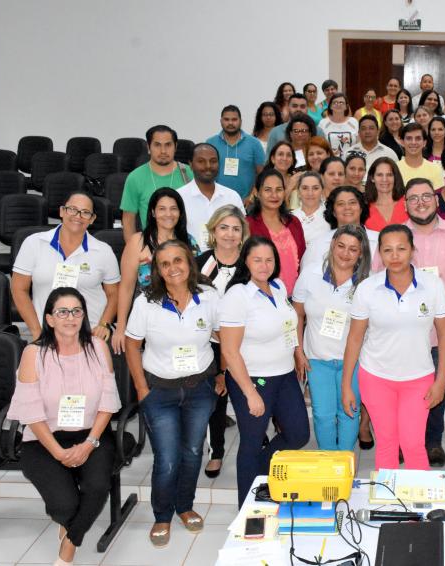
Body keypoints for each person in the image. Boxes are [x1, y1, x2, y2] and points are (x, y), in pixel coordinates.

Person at [7, 288, 120, 566]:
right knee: (64, 506)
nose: (70, 317)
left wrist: (90, 443)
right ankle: (68, 520)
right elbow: (31, 413)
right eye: (62, 312)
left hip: (91, 433)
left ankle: (69, 544)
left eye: (76, 311)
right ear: (50, 318)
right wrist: (59, 452)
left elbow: (108, 403)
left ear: (84, 316)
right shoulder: (33, 354)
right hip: (44, 438)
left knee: (96, 487)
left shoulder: (98, 347)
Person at [124, 240, 221, 546]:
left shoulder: (208, 296)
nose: (172, 268)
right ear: (158, 269)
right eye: (164, 264)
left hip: (200, 389)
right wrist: (141, 388)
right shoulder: (145, 302)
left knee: (193, 453)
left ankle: (185, 506)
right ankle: (162, 515)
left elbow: (224, 336)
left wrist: (223, 374)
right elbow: (131, 344)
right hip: (160, 391)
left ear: (189, 262)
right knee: (167, 458)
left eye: (178, 260)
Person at [342, 224, 445, 470]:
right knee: (387, 443)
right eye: (388, 250)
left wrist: (441, 381)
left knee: (413, 444)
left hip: (419, 378)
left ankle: (419, 505)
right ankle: (389, 504)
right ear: (379, 253)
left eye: (401, 249)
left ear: (413, 250)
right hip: (376, 377)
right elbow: (355, 339)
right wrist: (347, 384)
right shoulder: (368, 289)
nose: (395, 256)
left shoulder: (432, 285)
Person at [391, 178, 445, 467]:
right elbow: (379, 279)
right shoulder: (395, 236)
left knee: (436, 389)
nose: (420, 202)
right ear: (405, 204)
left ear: (436, 199)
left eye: (426, 196)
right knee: (402, 391)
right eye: (413, 198)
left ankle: (432, 443)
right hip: (402, 333)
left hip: (443, 332)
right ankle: (405, 442)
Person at [219, 236, 310, 506]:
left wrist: (297, 351)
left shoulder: (278, 286)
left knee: (298, 434)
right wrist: (249, 393)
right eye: (257, 259)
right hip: (253, 379)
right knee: (251, 440)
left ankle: (261, 471)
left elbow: (288, 324)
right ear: (245, 261)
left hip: (284, 376)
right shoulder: (238, 295)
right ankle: (247, 509)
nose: (264, 265)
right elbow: (229, 351)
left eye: (269, 259)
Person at [294, 225, 372, 450]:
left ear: (361, 254)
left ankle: (343, 461)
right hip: (317, 359)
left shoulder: (366, 283)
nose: (345, 254)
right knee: (322, 414)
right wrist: (298, 352)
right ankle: (329, 461)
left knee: (349, 410)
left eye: (353, 249)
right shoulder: (311, 274)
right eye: (341, 246)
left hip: (354, 361)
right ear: (332, 244)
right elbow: (297, 314)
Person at [12, 191, 120, 341]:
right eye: (72, 209)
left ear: (92, 219)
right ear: (62, 211)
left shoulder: (103, 251)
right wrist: (37, 331)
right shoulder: (33, 243)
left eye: (85, 212)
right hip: (47, 333)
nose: (78, 216)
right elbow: (18, 289)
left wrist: (104, 324)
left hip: (90, 333)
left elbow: (114, 294)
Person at [195, 205, 249, 479]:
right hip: (211, 343)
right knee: (216, 398)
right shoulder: (200, 263)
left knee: (250, 391)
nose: (229, 234)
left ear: (243, 234)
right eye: (223, 227)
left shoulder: (250, 263)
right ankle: (216, 450)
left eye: (235, 229)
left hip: (247, 342)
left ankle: (255, 435)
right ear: (213, 231)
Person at [111, 188, 192, 354]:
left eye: (173, 208)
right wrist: (121, 327)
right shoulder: (137, 242)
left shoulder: (189, 242)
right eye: (162, 209)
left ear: (180, 213)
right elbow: (126, 288)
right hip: (146, 320)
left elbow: (194, 284)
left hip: (182, 319)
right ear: (153, 213)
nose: (168, 214)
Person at [119, 125, 192, 241]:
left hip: (186, 245)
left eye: (168, 145)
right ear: (148, 147)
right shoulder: (135, 177)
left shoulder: (190, 174)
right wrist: (134, 250)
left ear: (175, 146)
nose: (163, 151)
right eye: (157, 145)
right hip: (150, 246)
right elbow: (128, 221)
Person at [246, 169, 306, 295]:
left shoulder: (294, 222)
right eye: (268, 190)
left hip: (296, 297)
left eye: (279, 189)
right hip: (264, 296)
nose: (274, 195)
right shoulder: (248, 225)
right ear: (257, 193)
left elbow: (303, 259)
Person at [177, 143, 245, 251]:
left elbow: (244, 233)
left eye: (213, 161)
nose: (208, 166)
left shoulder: (232, 197)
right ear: (190, 164)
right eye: (201, 161)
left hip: (229, 262)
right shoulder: (179, 197)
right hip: (192, 263)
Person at [302, 185, 379, 269]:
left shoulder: (380, 240)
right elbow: (307, 277)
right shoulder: (317, 245)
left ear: (361, 208)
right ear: (333, 212)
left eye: (352, 202)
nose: (347, 207)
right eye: (340, 204)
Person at [205, 105, 265, 200]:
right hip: (216, 200)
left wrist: (252, 195)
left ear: (240, 121)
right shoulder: (210, 143)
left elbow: (262, 174)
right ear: (221, 121)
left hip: (246, 202)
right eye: (226, 119)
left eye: (234, 119)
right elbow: (204, 173)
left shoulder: (254, 143)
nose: (230, 123)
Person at [365, 156, 408, 231]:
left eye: (389, 175)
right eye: (379, 175)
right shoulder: (364, 207)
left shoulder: (407, 203)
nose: (384, 179)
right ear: (372, 178)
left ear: (395, 177)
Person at [397, 122, 444, 189]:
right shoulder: (395, 169)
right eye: (409, 138)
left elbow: (438, 196)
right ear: (402, 142)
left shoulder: (435, 169)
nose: (413, 142)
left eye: (418, 138)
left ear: (424, 143)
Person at [291, 171, 329, 245]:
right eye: (305, 188)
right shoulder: (289, 218)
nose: (310, 193)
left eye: (315, 188)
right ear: (298, 192)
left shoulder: (331, 217)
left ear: (322, 191)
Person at [319, 92, 359, 157]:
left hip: (350, 162)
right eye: (335, 102)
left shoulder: (354, 122)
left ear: (346, 106)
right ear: (330, 106)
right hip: (330, 162)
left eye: (341, 102)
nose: (338, 104)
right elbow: (320, 146)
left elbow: (358, 144)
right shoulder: (323, 123)